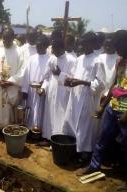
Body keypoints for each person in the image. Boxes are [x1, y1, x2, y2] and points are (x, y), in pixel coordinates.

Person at [77, 30, 127, 191]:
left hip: (126, 112)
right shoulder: (120, 61)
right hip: (113, 107)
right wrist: (103, 105)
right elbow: (114, 84)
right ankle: (94, 165)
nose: (115, 48)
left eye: (117, 45)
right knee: (102, 140)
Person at [63, 32, 106, 167]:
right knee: (72, 122)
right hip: (75, 96)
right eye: (81, 43)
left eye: (85, 43)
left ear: (93, 45)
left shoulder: (97, 61)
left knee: (85, 127)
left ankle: (85, 153)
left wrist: (82, 82)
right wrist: (70, 80)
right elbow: (74, 74)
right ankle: (74, 149)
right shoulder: (79, 58)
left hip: (87, 99)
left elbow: (100, 84)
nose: (82, 46)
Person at [40, 38, 76, 145]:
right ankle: (48, 138)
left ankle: (58, 142)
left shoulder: (71, 60)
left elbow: (73, 78)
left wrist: (60, 74)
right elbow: (47, 77)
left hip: (63, 94)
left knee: (60, 116)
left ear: (63, 48)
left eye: (55, 49)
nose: (53, 51)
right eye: (53, 49)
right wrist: (43, 87)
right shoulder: (51, 60)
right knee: (50, 115)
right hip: (51, 92)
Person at [21, 35, 50, 131]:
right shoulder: (32, 58)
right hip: (31, 91)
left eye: (40, 47)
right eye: (37, 46)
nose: (37, 49)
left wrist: (44, 85)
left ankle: (40, 131)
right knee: (31, 109)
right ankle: (30, 129)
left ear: (46, 46)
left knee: (41, 111)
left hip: (42, 91)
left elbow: (49, 77)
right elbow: (27, 74)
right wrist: (24, 90)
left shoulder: (50, 59)